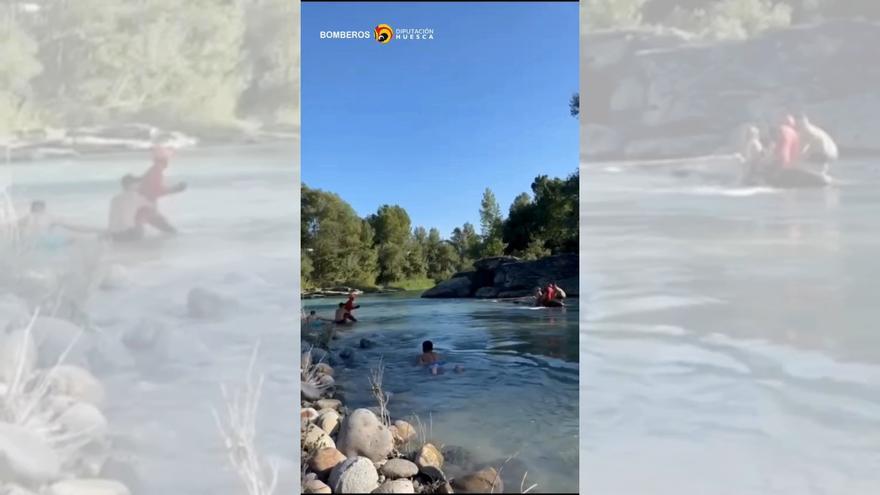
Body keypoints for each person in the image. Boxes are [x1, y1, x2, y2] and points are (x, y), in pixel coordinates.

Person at [108, 175, 177, 242]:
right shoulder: (136, 196)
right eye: (137, 183)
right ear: (132, 185)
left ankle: (170, 230)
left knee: (138, 213)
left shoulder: (115, 199)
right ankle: (171, 231)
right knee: (147, 212)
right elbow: (153, 210)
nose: (139, 185)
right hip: (130, 235)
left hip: (115, 236)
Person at [17, 200, 101, 249]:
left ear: (31, 209)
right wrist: (96, 229)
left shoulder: (25, 218)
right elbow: (74, 227)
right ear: (43, 208)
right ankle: (97, 237)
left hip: (29, 242)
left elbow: (13, 228)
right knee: (75, 239)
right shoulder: (48, 217)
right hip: (46, 241)